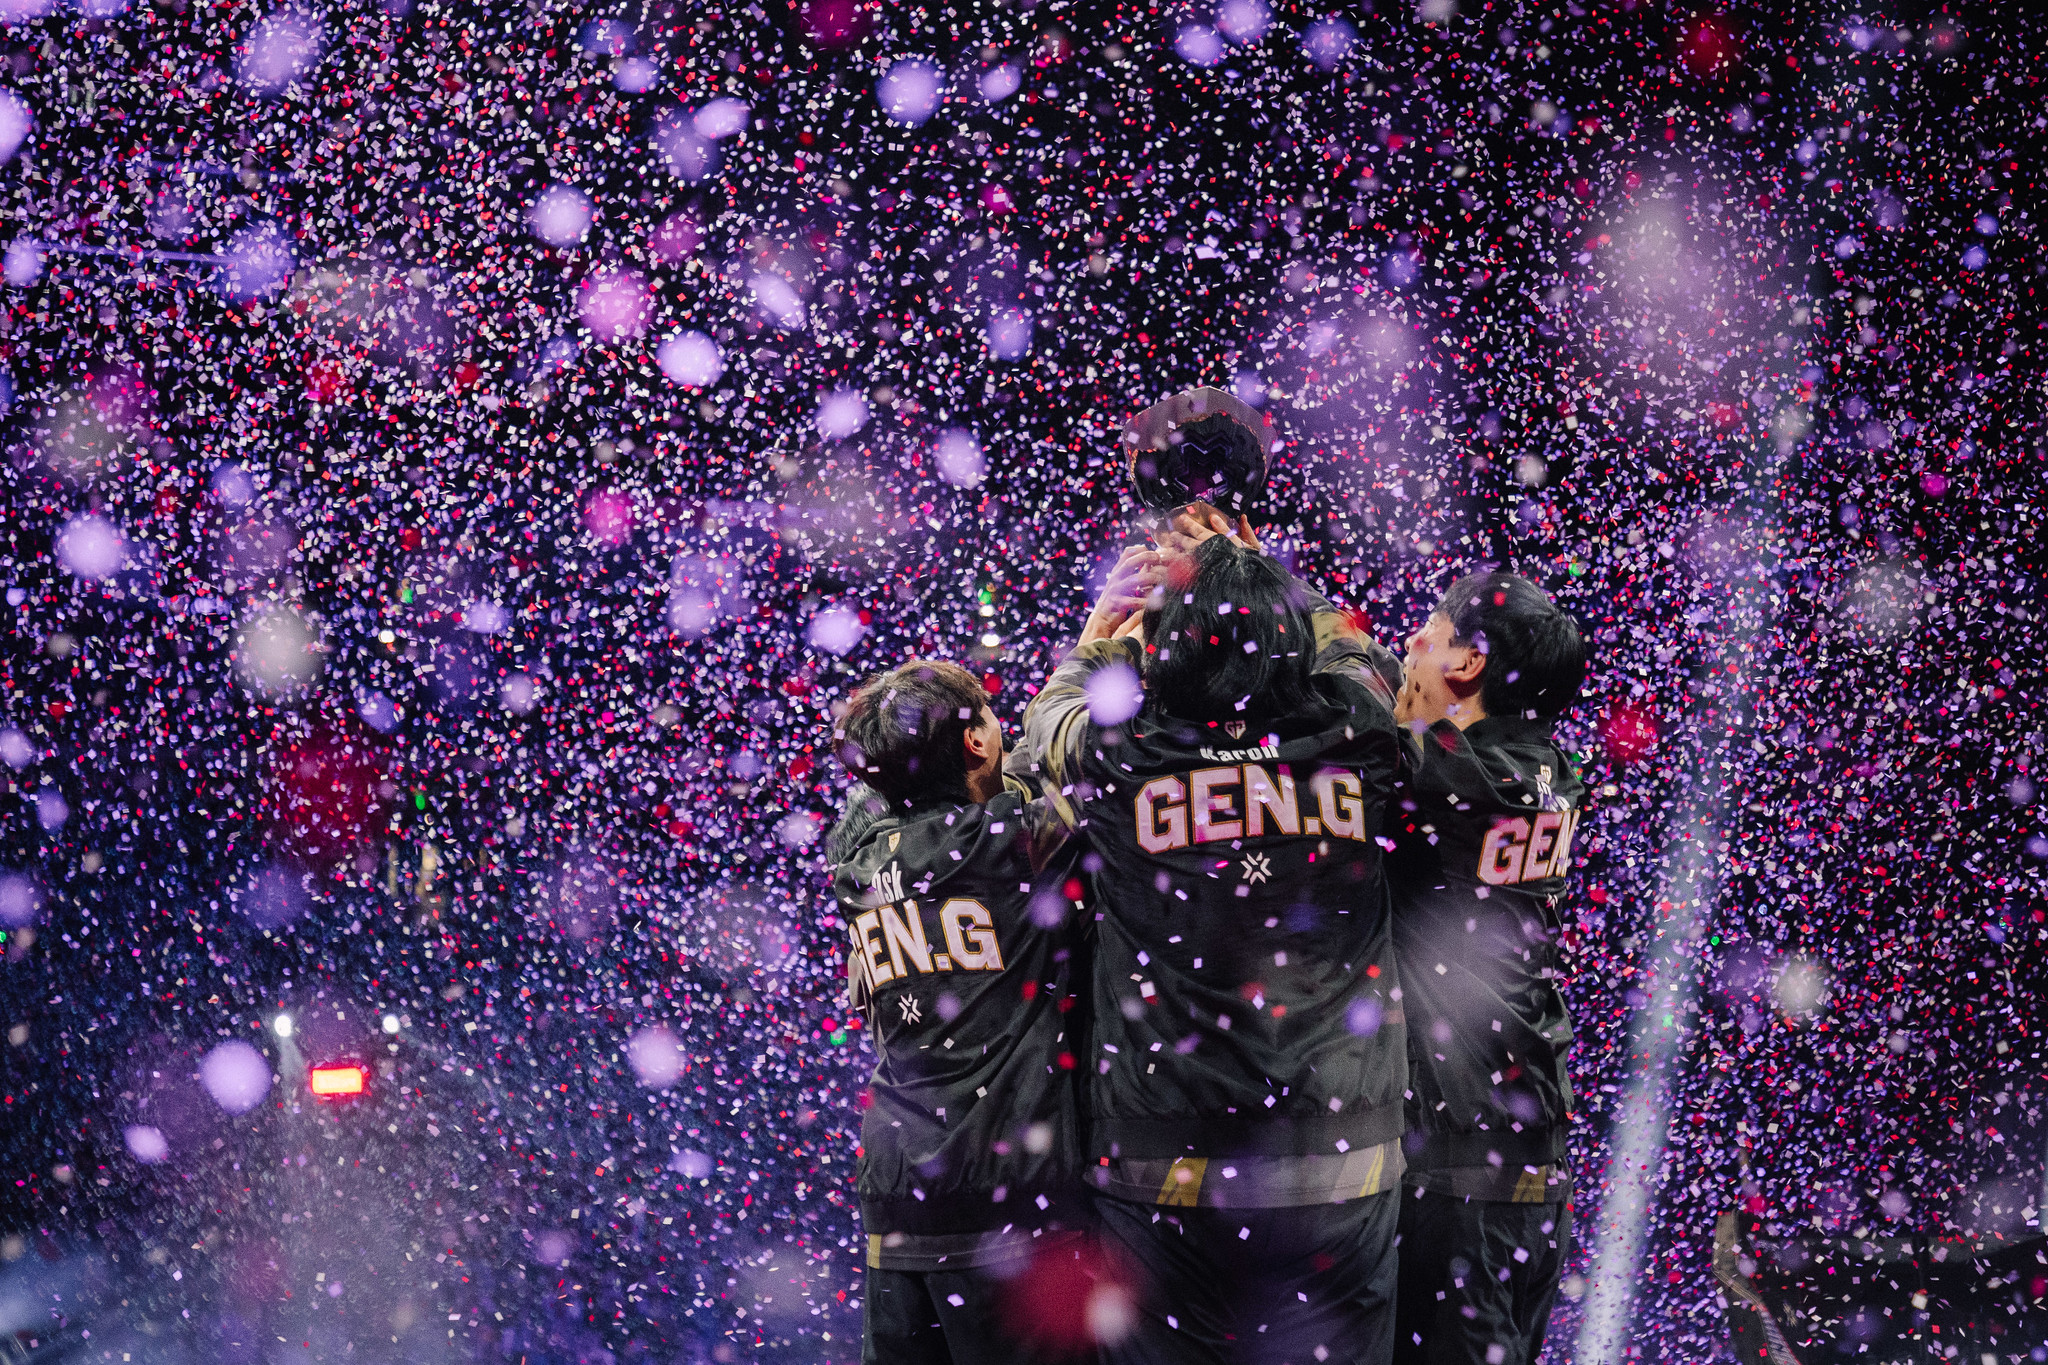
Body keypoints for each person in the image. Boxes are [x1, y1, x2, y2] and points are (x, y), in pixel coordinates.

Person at [1020, 506, 1409, 1365]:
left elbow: (1047, 727)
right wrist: (1256, 576)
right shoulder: (1359, 735)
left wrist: (1101, 633)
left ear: (1160, 650)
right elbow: (1358, 663)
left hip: (1171, 1162)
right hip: (1342, 1153)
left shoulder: (1121, 755)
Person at [827, 640, 1144, 1363]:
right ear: (975, 740)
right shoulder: (1012, 844)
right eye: (993, 717)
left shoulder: (858, 862)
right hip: (1006, 1207)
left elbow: (1009, 774)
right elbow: (1081, 764)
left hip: (895, 1202)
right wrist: (1101, 656)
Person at [1383, 571, 1588, 1365]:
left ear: (1468, 662)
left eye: (1425, 635)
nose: (1408, 648)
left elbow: (1355, 723)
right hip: (1530, 1164)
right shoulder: (1552, 773)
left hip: (1462, 1177)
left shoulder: (1453, 778)